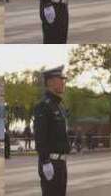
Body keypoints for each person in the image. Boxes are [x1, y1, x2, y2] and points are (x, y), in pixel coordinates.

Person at [34, 65, 70, 196]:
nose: (63, 82)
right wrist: (45, 162)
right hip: (51, 162)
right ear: (50, 82)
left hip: (61, 162)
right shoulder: (44, 106)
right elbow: (40, 137)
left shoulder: (59, 106)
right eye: (60, 79)